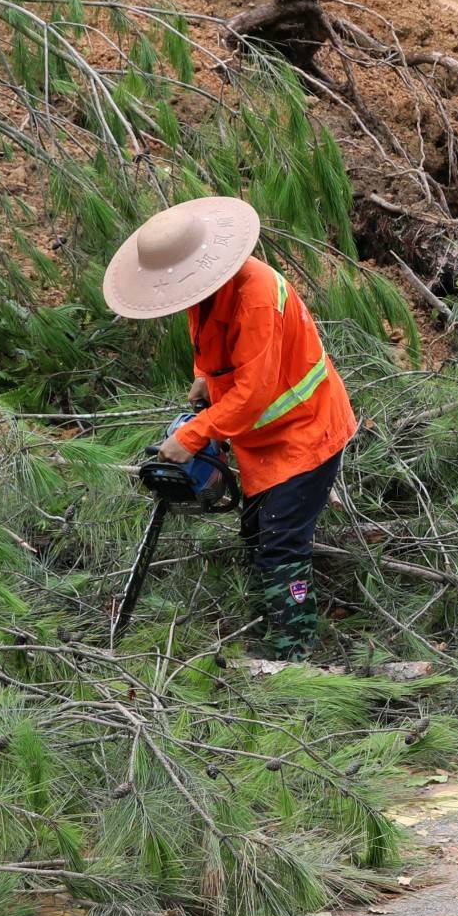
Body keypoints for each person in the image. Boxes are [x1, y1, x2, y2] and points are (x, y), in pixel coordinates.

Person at [101, 197, 356, 657]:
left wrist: (192, 436)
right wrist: (205, 376)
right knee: (257, 536)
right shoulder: (203, 291)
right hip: (262, 439)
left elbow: (253, 396)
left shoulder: (256, 299)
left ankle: (289, 654)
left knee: (281, 543)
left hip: (305, 432)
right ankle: (267, 629)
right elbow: (214, 344)